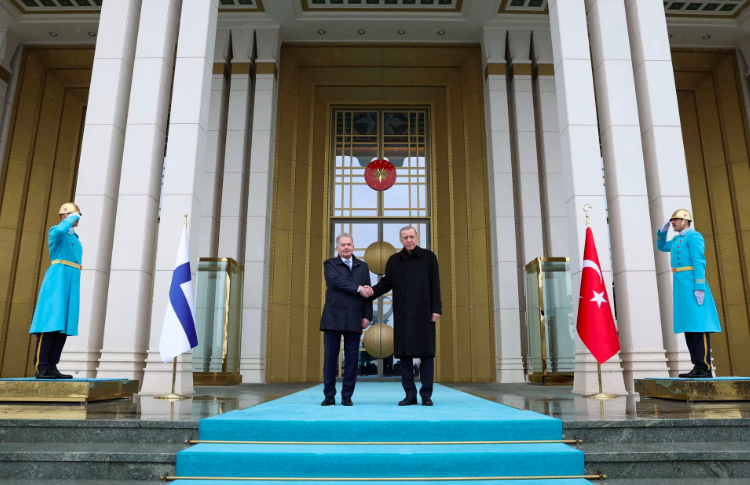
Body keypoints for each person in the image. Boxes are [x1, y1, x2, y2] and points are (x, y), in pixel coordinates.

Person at [367, 226, 441, 406]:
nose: (409, 240)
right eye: (405, 237)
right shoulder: (394, 260)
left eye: (412, 237)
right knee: (405, 356)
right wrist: (371, 292)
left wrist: (436, 309)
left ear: (417, 237)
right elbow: (386, 283)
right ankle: (410, 395)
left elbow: (435, 283)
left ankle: (426, 395)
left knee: (426, 355)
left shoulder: (429, 257)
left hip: (424, 313)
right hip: (403, 315)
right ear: (400, 240)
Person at [657, 209, 721, 379]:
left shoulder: (694, 236)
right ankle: (697, 365)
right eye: (671, 221)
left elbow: (699, 260)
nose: (673, 223)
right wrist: (662, 232)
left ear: (685, 220)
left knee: (699, 326)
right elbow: (662, 246)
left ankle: (705, 367)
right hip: (681, 286)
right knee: (689, 327)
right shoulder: (678, 238)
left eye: (675, 220)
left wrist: (699, 285)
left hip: (693, 283)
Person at [29, 203, 83, 380]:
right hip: (57, 279)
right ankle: (42, 367)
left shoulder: (74, 237)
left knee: (62, 327)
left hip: (70, 282)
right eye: (74, 217)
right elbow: (59, 231)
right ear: (65, 216)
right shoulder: (56, 231)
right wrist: (71, 217)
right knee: (49, 323)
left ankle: (52, 367)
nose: (77, 220)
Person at [320, 233, 373, 406]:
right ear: (337, 247)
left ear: (353, 246)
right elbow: (334, 282)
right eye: (342, 244)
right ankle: (329, 395)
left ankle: (347, 396)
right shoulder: (330, 264)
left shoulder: (362, 266)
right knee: (330, 357)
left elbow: (367, 292)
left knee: (352, 359)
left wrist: (367, 315)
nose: (346, 247)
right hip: (333, 317)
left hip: (354, 318)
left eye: (349, 244)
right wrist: (358, 288)